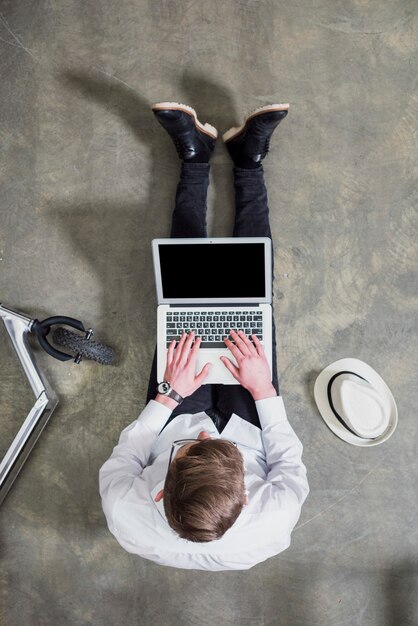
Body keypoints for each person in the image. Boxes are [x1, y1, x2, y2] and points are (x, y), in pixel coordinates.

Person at [99, 101, 309, 571]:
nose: (201, 433)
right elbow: (286, 453)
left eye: (193, 446)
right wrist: (263, 389)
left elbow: (131, 450)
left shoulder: (124, 507)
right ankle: (248, 163)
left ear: (163, 483)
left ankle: (195, 160)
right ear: (246, 490)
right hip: (253, 427)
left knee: (186, 295)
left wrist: (170, 394)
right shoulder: (277, 513)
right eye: (210, 445)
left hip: (173, 408)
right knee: (251, 296)